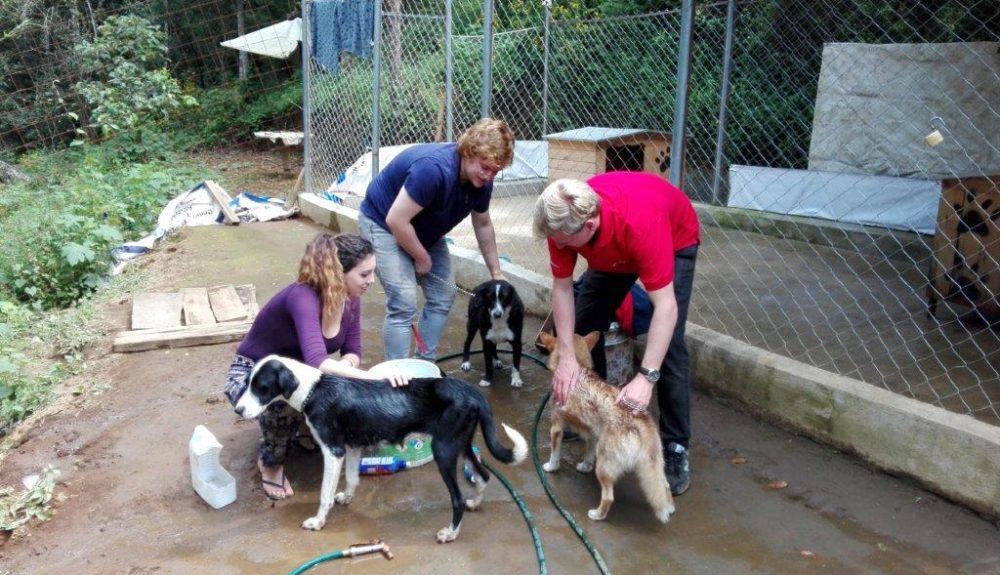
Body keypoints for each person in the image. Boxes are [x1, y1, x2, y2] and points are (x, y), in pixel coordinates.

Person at [532, 172, 700, 496]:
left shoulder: (639, 224)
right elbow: (563, 288)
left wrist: (645, 377)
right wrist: (567, 355)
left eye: (564, 243)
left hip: (672, 238)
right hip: (613, 250)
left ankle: (676, 447)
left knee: (669, 347)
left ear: (589, 226)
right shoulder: (562, 224)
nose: (559, 247)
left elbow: (666, 307)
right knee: (581, 330)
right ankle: (598, 412)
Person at [223, 232, 409, 500]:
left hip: (297, 373)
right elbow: (319, 362)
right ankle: (271, 463)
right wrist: (375, 379)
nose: (371, 281)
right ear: (338, 274)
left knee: (341, 382)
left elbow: (353, 352)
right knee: (283, 402)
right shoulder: (303, 297)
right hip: (252, 378)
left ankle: (303, 426)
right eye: (364, 274)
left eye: (373, 273)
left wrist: (349, 373)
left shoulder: (351, 298)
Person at [358, 117, 515, 360]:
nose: (489, 176)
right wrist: (421, 257)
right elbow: (396, 220)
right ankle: (397, 379)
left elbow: (482, 223)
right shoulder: (432, 170)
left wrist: (496, 272)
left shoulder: (482, 181)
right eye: (485, 167)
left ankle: (424, 367)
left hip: (422, 228)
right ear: (468, 152)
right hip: (384, 224)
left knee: (443, 295)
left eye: (495, 171)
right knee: (404, 302)